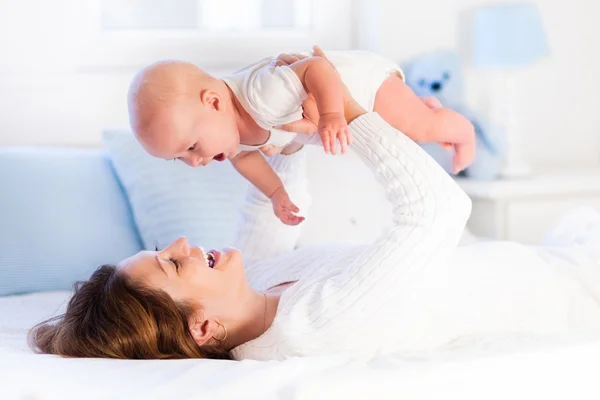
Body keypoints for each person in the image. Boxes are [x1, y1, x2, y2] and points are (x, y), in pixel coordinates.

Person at [29, 58, 600, 361]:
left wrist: (278, 127)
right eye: (173, 265)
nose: (180, 245)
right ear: (203, 328)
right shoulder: (311, 327)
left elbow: (272, 199)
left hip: (541, 256)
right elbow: (440, 211)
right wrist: (349, 113)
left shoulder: (250, 294)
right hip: (576, 289)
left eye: (163, 250)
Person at [127, 46, 475, 225]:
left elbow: (317, 68)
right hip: (346, 107)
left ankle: (461, 127)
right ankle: (421, 108)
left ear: (214, 102)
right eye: (180, 157)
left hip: (362, 85)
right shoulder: (229, 137)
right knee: (406, 130)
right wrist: (277, 193)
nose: (193, 161)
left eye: (190, 146)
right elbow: (247, 158)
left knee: (422, 129)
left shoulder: (262, 93)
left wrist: (333, 113)